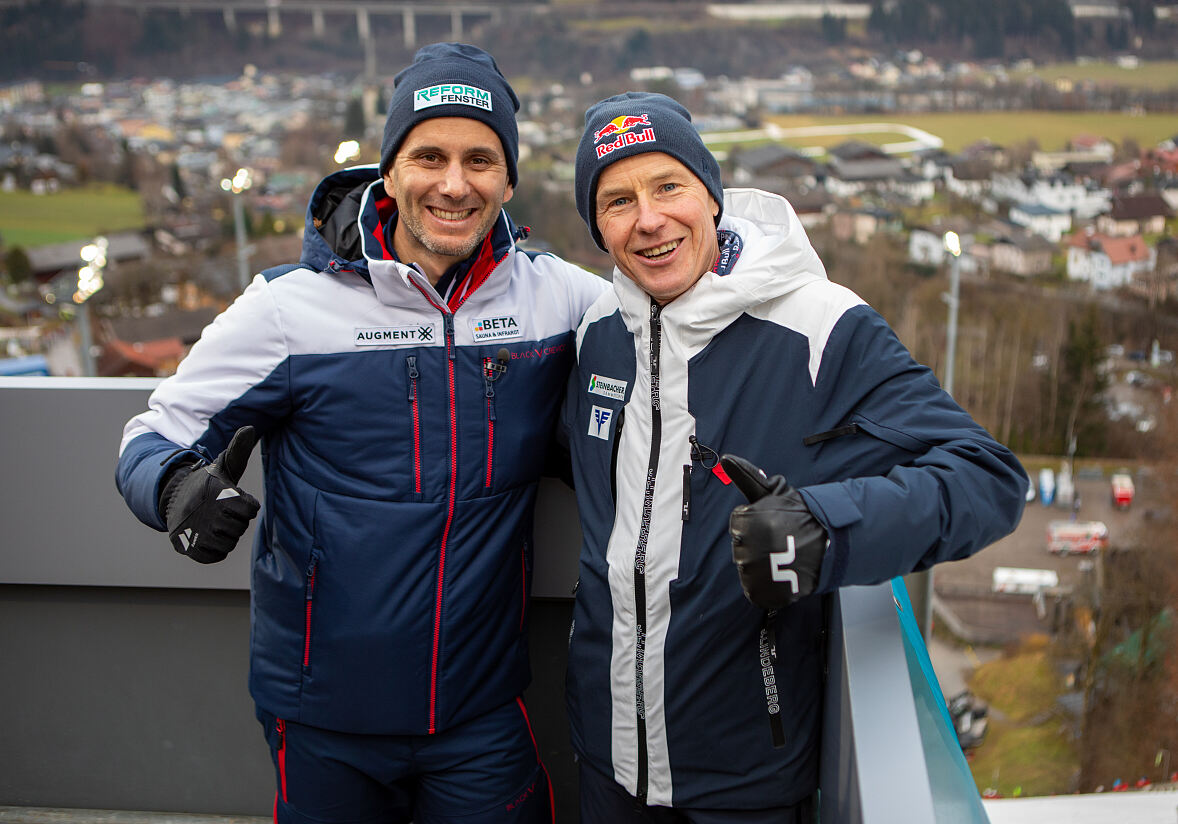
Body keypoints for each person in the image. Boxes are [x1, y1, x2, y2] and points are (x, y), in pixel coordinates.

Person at [115, 43, 606, 823]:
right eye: (429, 156)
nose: (454, 183)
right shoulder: (288, 309)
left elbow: (678, 324)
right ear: (390, 168)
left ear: (509, 179)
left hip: (478, 712)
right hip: (321, 715)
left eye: (481, 159)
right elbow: (152, 434)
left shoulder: (559, 298)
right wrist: (176, 488)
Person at [561, 92, 1027, 821]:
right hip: (605, 763)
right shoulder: (599, 332)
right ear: (598, 229)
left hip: (747, 776)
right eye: (617, 201)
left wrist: (825, 526)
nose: (648, 219)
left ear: (710, 196)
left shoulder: (817, 325)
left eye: (667, 186)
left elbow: (986, 477)